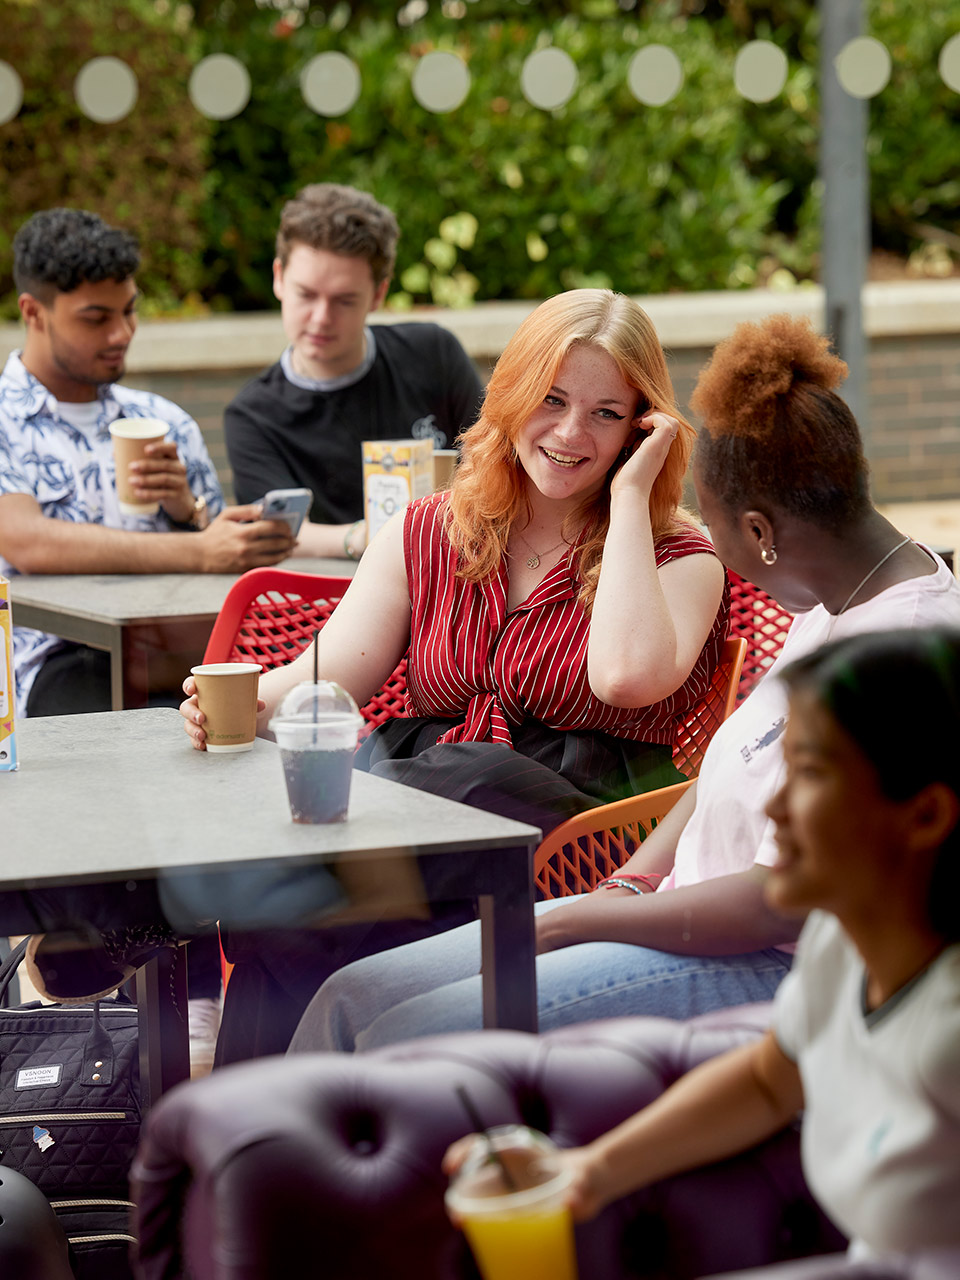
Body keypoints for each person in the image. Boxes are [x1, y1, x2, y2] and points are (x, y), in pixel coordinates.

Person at [286, 311, 960, 1057]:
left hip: (772, 969)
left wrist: (578, 919)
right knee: (350, 997)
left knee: (401, 1035)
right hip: (663, 912)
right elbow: (726, 772)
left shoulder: (901, 657)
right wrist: (628, 885)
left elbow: (780, 906)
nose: (721, 555)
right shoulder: (840, 598)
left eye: (720, 526)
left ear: (761, 531)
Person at [181, 287, 729, 1060]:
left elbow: (625, 678)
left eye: (608, 414)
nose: (572, 433)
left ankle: (223, 922)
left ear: (643, 428)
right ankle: (260, 1146)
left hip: (581, 827)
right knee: (358, 861)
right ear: (510, 395)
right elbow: (328, 679)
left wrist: (634, 497)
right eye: (551, 399)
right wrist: (231, 699)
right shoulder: (429, 530)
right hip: (412, 838)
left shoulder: (679, 553)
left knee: (472, 777)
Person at [497, 628, 960, 1280]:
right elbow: (770, 1079)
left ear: (925, 816)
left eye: (809, 774)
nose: (774, 807)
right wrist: (589, 1172)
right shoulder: (843, 943)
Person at [0, 208, 296, 721]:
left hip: (177, 657)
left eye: (129, 311)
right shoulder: (5, 419)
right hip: (51, 664)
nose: (121, 333)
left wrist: (190, 510)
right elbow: (29, 542)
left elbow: (217, 548)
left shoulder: (163, 420)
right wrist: (197, 549)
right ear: (34, 312)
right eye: (96, 318)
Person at [224, 183, 484, 560]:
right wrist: (366, 539)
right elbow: (275, 533)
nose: (321, 318)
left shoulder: (434, 354)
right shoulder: (252, 416)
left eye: (344, 300)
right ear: (278, 277)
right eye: (306, 294)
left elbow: (495, 459)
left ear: (378, 294)